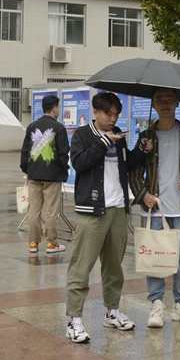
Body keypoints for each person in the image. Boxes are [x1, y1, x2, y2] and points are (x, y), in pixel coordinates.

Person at [65, 92, 152, 344]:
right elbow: (80, 163)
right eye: (108, 114)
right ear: (95, 112)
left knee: (114, 266)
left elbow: (126, 165)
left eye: (116, 115)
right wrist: (103, 142)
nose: (113, 119)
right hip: (92, 210)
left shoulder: (118, 137)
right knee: (82, 266)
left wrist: (140, 149)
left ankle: (112, 311)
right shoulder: (82, 135)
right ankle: (73, 320)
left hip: (118, 209)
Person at [129, 87, 180, 328]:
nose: (165, 104)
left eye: (170, 100)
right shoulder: (145, 137)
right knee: (154, 259)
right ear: (153, 104)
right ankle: (156, 305)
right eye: (160, 100)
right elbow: (134, 171)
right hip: (154, 209)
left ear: (177, 103)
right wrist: (143, 195)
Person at [20, 95, 70, 254]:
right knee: (51, 211)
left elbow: (25, 151)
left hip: (34, 174)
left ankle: (33, 243)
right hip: (53, 176)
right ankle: (51, 243)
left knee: (34, 210)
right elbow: (63, 153)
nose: (59, 110)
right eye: (58, 107)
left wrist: (27, 170)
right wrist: (64, 169)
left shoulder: (32, 126)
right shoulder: (59, 128)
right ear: (54, 108)